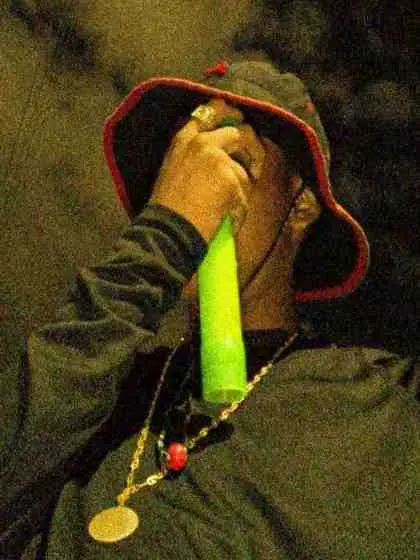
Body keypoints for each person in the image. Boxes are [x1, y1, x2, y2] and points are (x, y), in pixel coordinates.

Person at [0, 53, 418, 559]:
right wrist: (161, 239)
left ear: (300, 205)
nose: (201, 189)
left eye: (235, 159)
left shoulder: (384, 403)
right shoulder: (101, 393)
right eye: (182, 165)